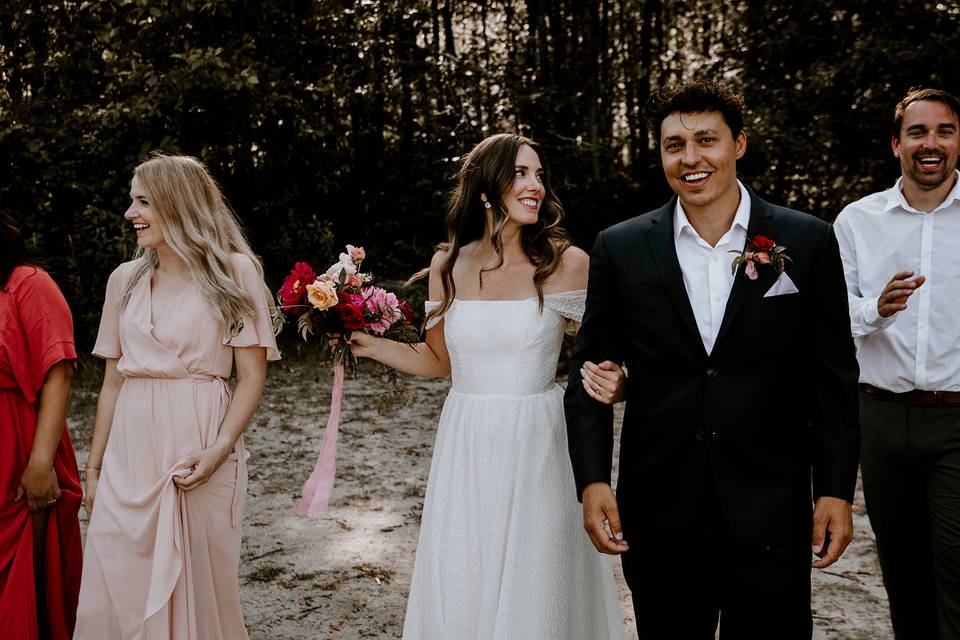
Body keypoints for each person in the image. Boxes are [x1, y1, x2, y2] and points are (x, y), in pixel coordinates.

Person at [564, 79, 861, 638]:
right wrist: (592, 482)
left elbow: (835, 378)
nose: (691, 158)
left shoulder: (809, 240)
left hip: (771, 506)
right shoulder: (620, 247)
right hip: (660, 508)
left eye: (707, 140)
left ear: (739, 144)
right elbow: (590, 375)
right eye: (674, 145)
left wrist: (835, 490)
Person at [344, 133, 628, 639]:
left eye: (539, 175)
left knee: (536, 578)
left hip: (538, 440)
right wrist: (368, 344)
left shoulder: (568, 264)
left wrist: (622, 383)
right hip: (467, 439)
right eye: (520, 173)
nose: (535, 185)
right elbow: (438, 361)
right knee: (466, 572)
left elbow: (610, 355)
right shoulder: (447, 266)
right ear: (484, 189)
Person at [73, 154, 280, 639]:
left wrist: (220, 447)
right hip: (130, 447)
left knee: (198, 583)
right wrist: (95, 466)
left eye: (142, 201)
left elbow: (250, 377)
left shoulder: (234, 272)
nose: (130, 213)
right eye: (131, 201)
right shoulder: (123, 280)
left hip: (199, 444)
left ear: (178, 205)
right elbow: (112, 382)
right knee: (116, 576)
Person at [833, 87, 960, 639]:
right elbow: (834, 313)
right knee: (904, 578)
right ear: (896, 144)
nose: (930, 144)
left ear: (958, 142)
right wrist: (876, 310)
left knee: (957, 576)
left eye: (944, 131)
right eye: (917, 132)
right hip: (880, 419)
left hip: (957, 421)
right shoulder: (858, 222)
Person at [0, 212, 83, 639]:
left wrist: (39, 462)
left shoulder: (28, 283)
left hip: (19, 446)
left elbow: (59, 372)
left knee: (24, 586)